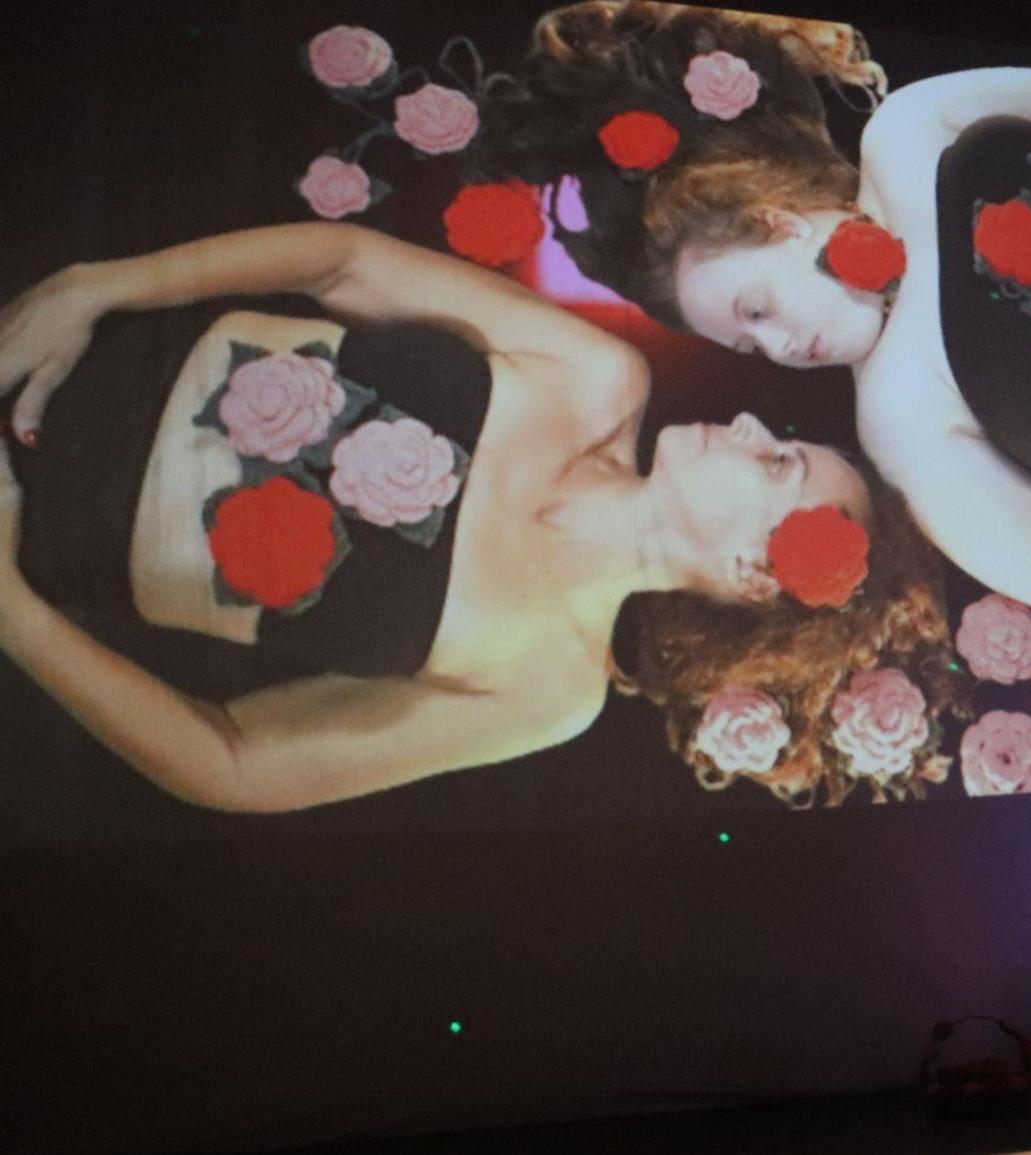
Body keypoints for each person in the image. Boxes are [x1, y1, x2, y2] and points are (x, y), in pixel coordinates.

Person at [0, 221, 954, 812]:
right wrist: (101, 284)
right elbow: (346, 262)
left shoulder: (549, 689)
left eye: (778, 461)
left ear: (755, 572)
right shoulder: (599, 379)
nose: (750, 423)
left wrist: (13, 613)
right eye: (780, 433)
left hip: (29, 539)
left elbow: (238, 763)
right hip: (57, 342)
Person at [475, 1, 1031, 639]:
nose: (778, 347)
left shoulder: (906, 134)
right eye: (746, 342)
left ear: (774, 221)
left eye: (756, 308)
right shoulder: (893, 422)